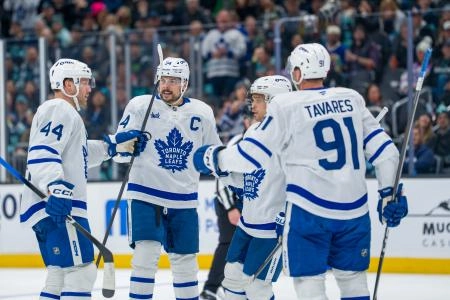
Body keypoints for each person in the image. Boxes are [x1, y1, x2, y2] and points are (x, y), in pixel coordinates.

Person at [193, 43, 409, 300]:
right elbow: (386, 152)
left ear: (297, 74)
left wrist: (211, 157)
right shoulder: (351, 98)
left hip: (309, 211)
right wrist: (389, 194)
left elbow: (249, 155)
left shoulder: (286, 106)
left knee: (309, 286)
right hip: (354, 210)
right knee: (353, 282)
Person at [21, 58, 147, 299]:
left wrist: (112, 147)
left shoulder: (65, 114)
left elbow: (78, 154)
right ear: (68, 84)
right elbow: (43, 152)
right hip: (59, 207)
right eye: (85, 83)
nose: (90, 88)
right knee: (81, 275)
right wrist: (56, 188)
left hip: (51, 207)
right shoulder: (58, 109)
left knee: (59, 276)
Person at [113, 57, 222, 300]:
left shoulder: (202, 112)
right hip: (145, 194)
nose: (166, 85)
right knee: (145, 256)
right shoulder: (140, 106)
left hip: (184, 200)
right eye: (163, 79)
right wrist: (127, 146)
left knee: (185, 262)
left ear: (185, 84)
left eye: (173, 81)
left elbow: (213, 154)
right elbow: (117, 152)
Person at [214, 75, 292, 300]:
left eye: (258, 100)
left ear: (275, 101)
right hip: (248, 223)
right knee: (232, 278)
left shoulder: (289, 136)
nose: (252, 105)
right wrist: (224, 173)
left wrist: (287, 214)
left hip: (271, 227)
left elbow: (300, 181)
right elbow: (249, 179)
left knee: (258, 288)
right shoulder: (253, 131)